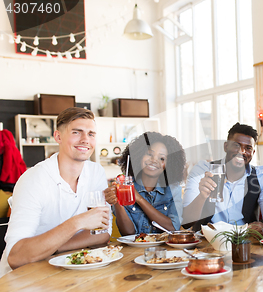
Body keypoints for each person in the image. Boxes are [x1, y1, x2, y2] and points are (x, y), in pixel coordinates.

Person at [0, 107, 110, 277]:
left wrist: (53, 247)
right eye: (76, 132)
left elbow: (101, 235)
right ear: (58, 136)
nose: (85, 140)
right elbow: (16, 257)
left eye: (91, 134)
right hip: (22, 280)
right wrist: (77, 223)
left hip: (69, 271)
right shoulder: (33, 179)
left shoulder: (96, 172)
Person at [182, 123, 263, 230]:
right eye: (236, 145)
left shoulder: (261, 175)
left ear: (252, 152)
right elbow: (186, 222)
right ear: (226, 146)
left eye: (248, 148)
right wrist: (202, 196)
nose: (241, 152)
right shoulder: (202, 170)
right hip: (207, 240)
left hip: (245, 241)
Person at [104, 132, 186, 234]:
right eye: (149, 154)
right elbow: (128, 233)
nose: (153, 160)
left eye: (162, 158)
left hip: (165, 249)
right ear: (139, 155)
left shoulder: (173, 189)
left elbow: (173, 228)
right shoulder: (124, 187)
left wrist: (139, 199)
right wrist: (117, 202)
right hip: (134, 249)